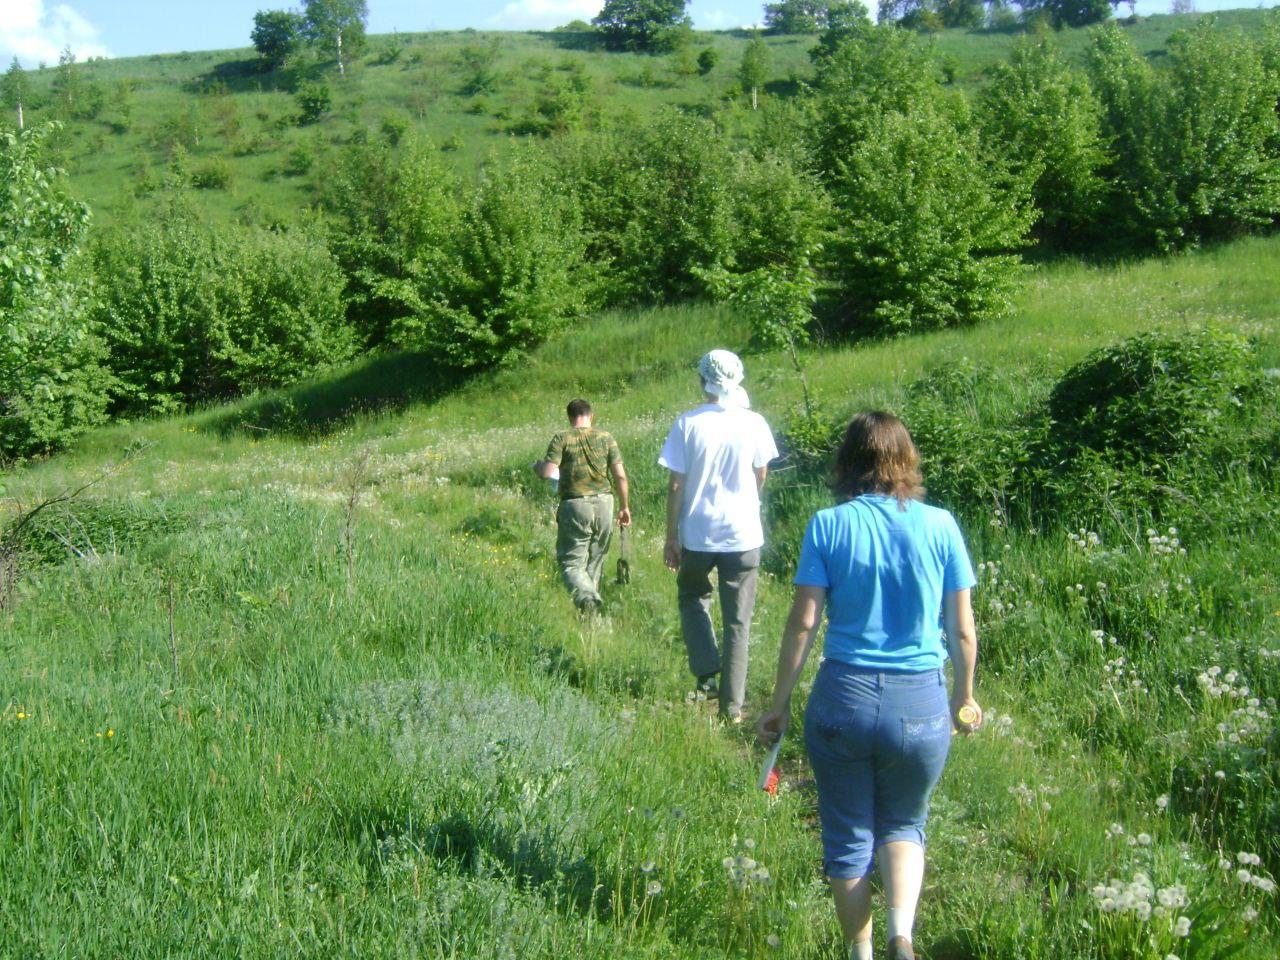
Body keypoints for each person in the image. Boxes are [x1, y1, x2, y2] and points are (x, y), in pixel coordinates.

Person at [756, 411, 981, 960]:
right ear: (906, 462)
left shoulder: (828, 526)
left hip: (844, 699)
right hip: (921, 700)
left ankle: (861, 954)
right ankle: (901, 934)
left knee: (849, 834)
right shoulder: (942, 525)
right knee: (905, 822)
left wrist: (779, 703)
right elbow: (963, 629)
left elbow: (805, 622)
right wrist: (964, 697)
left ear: (847, 463)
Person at [659, 350, 779, 722]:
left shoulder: (687, 423)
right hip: (744, 535)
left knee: (692, 595)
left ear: (702, 381)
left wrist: (671, 536)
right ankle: (733, 708)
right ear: (738, 380)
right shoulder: (755, 422)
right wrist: (748, 502)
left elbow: (676, 483)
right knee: (738, 622)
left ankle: (708, 669)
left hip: (697, 533)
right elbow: (761, 474)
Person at [534, 399, 631, 614]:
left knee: (571, 564)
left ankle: (588, 599)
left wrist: (538, 466)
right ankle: (591, 617)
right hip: (605, 503)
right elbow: (621, 477)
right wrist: (625, 507)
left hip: (576, 505)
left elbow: (547, 472)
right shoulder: (606, 438)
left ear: (570, 417)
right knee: (596, 561)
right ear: (591, 415)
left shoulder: (563, 437)